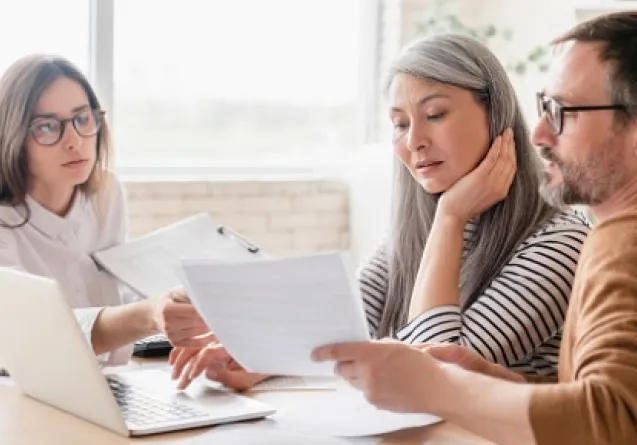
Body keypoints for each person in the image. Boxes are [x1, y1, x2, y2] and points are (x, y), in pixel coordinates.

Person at [313, 10, 637, 445]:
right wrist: (509, 384)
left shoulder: (634, 240)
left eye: (562, 112)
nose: (537, 134)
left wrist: (441, 386)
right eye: (542, 107)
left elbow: (627, 424)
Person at [166, 33, 592, 390]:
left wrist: (450, 218)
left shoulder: (561, 241)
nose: (414, 141)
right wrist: (258, 358)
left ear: (495, 114)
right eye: (401, 123)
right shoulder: (415, 228)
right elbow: (346, 326)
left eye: (435, 114)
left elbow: (436, 374)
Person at [0, 54, 196, 365]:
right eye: (46, 127)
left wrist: (179, 301)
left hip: (107, 383)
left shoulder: (105, 193)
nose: (74, 141)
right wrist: (149, 313)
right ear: (13, 137)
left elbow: (113, 289)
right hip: (15, 396)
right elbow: (39, 331)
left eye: (82, 119)